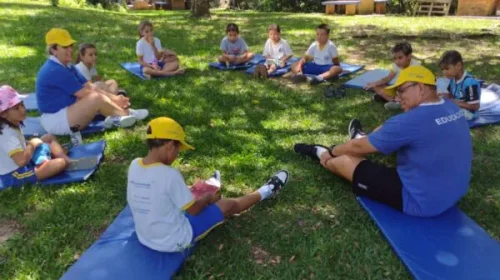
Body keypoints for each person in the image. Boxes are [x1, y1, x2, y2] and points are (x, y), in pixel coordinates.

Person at [294, 66, 472, 217]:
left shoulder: (410, 121)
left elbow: (358, 148)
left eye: (401, 90)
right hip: (454, 193)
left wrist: (333, 151)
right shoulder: (449, 106)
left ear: (420, 87)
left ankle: (321, 153)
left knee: (341, 161)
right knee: (389, 130)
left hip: (421, 201)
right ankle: (360, 137)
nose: (398, 97)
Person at [127, 117, 289, 252]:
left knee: (189, 196)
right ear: (170, 145)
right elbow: (195, 210)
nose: (177, 155)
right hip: (172, 241)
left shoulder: (134, 164)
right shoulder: (170, 175)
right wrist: (209, 199)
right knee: (228, 205)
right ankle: (268, 190)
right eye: (178, 150)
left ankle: (206, 189)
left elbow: (159, 191)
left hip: (145, 237)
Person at [36, 28, 149, 136]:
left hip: (66, 111)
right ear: (53, 50)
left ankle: (118, 115)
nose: (70, 49)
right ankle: (126, 114)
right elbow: (85, 93)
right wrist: (115, 99)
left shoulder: (67, 65)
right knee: (96, 98)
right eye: (65, 47)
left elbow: (89, 86)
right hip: (56, 120)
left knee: (99, 87)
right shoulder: (55, 70)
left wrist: (115, 98)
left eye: (70, 45)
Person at [0, 85, 70, 187]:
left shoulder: (11, 123)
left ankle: (64, 159)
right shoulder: (8, 134)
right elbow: (21, 161)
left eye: (22, 105)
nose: (23, 110)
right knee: (60, 163)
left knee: (48, 137)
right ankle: (54, 160)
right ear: (3, 114)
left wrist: (31, 144)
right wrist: (32, 144)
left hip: (23, 160)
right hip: (13, 175)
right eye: (16, 108)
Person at [364, 42, 420, 110]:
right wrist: (375, 83)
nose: (397, 61)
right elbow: (388, 78)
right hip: (398, 89)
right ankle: (394, 101)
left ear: (409, 57)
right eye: (395, 58)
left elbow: (414, 85)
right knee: (377, 87)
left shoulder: (415, 66)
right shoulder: (396, 65)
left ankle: (400, 102)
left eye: (400, 58)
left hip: (412, 91)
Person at [439, 50, 481, 120]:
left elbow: (475, 106)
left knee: (441, 114)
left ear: (458, 66)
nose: (444, 72)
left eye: (447, 68)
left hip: (469, 113)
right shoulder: (452, 79)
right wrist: (440, 96)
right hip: (457, 107)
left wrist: (454, 102)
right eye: (442, 69)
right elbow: (450, 95)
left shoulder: (470, 83)